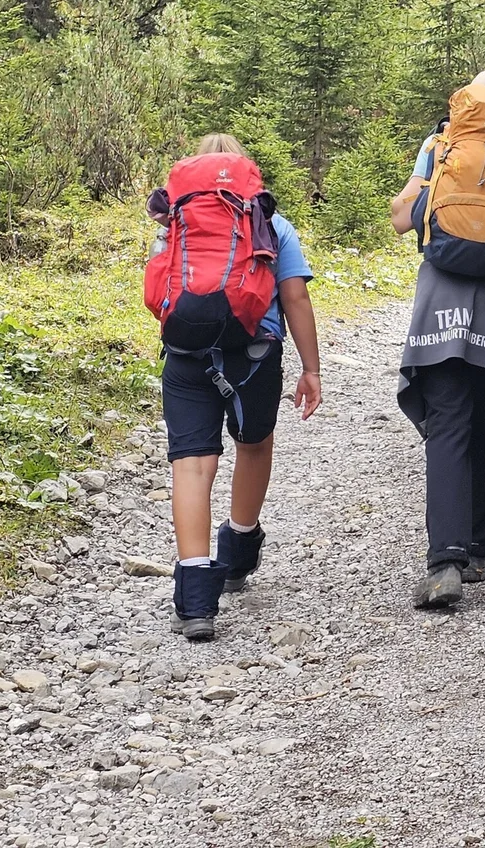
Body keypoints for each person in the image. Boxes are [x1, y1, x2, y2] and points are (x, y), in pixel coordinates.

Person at [148, 133, 322, 641]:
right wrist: (310, 369)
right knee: (253, 445)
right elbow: (295, 300)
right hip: (253, 356)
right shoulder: (271, 224)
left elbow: (161, 291)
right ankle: (240, 552)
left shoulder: (172, 223)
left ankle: (196, 600)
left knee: (192, 463)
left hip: (186, 357)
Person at [390, 68, 485, 610]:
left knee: (448, 426)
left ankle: (444, 565)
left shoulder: (440, 145)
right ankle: (478, 548)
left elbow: (401, 218)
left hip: (439, 308)